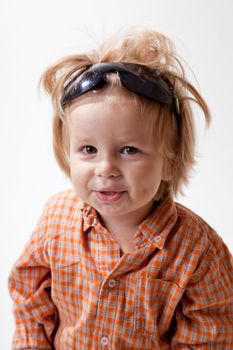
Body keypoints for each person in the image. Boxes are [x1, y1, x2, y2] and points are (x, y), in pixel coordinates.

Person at [8, 28, 233, 349]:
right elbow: (30, 297)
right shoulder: (56, 219)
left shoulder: (197, 251)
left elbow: (210, 336)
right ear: (66, 152)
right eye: (88, 150)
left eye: (129, 150)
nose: (106, 169)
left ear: (169, 161)